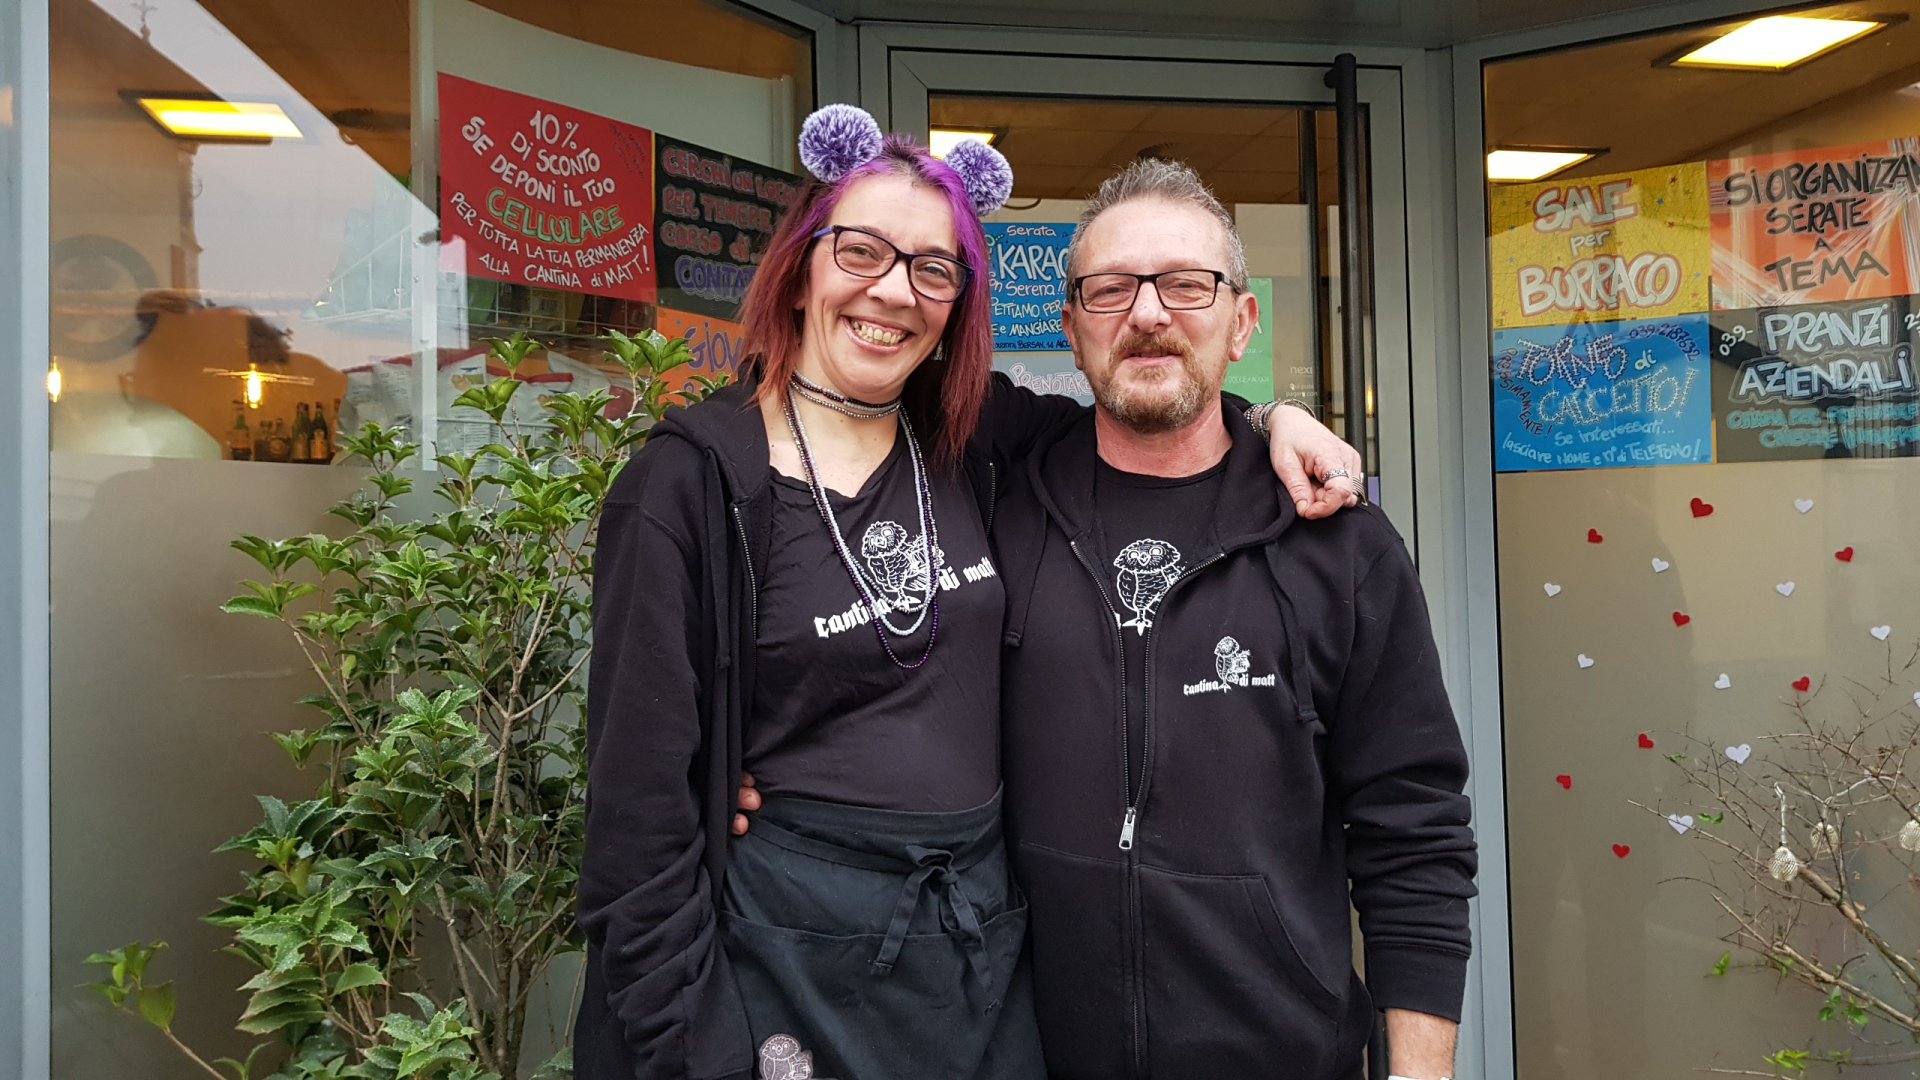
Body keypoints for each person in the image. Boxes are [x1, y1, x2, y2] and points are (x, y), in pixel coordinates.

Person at [575, 106, 1363, 1080]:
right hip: (789, 953)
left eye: (933, 270)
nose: (893, 291)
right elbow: (637, 834)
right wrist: (693, 1056)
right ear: (800, 266)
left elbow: (1149, 407)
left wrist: (1273, 418)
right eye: (861, 251)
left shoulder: (970, 434)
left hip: (976, 959)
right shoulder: (688, 488)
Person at [990, 159, 1477, 1080]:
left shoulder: (1339, 545)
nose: (1147, 313)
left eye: (1186, 284)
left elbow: (1414, 835)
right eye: (1110, 289)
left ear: (1242, 321)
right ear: (1071, 327)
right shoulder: (999, 510)